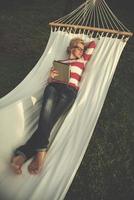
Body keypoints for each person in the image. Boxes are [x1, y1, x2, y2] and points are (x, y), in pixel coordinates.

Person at [10, 37, 96, 175]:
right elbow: (51, 80)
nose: (81, 51)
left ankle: (23, 154)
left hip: (69, 91)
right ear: (70, 48)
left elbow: (92, 44)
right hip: (53, 87)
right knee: (45, 119)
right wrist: (51, 77)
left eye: (82, 49)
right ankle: (40, 153)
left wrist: (81, 43)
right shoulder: (60, 63)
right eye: (78, 48)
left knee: (47, 122)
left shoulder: (82, 61)